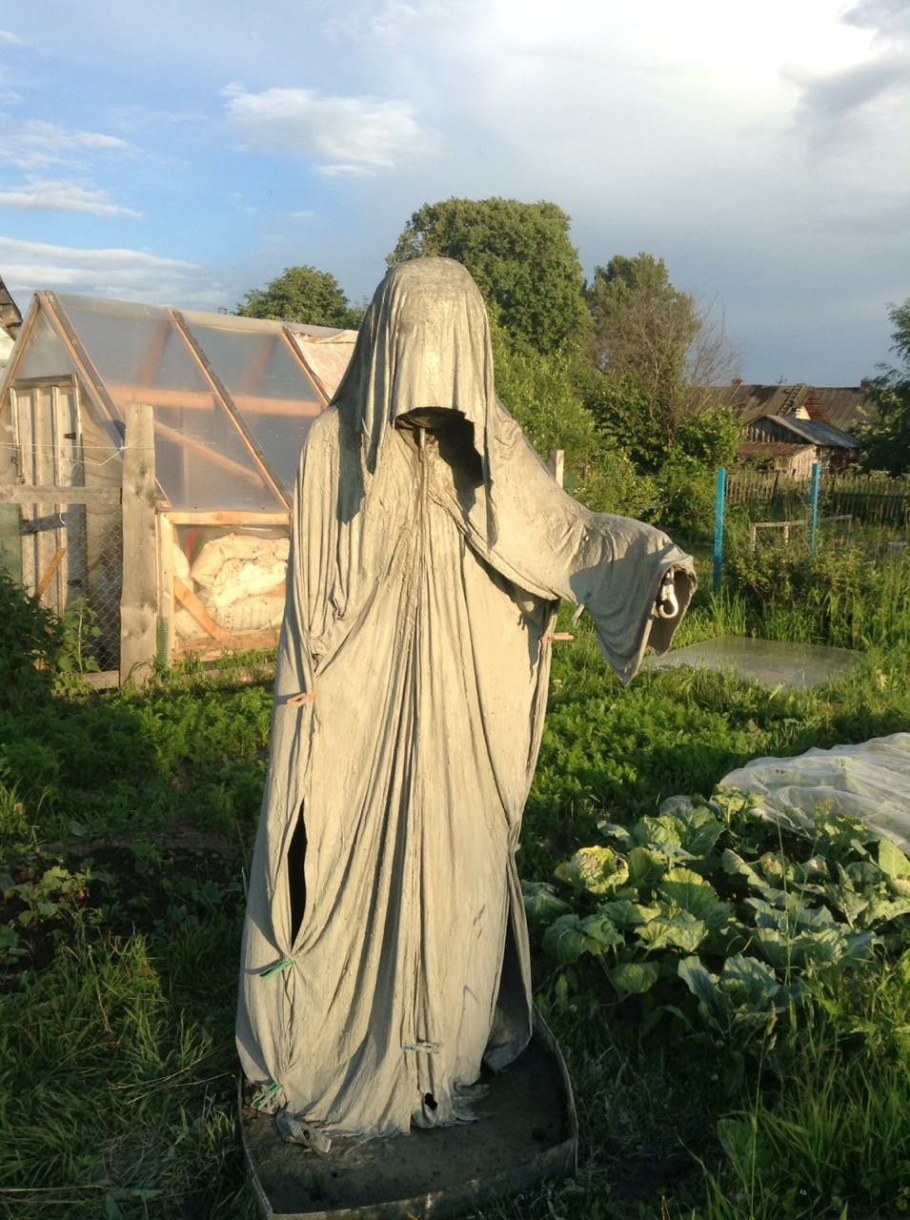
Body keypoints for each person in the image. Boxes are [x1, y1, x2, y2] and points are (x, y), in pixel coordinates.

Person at [237, 257, 695, 1140]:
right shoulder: (329, 451)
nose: (431, 387)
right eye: (416, 353)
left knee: (460, 869)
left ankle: (441, 1055)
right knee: (327, 866)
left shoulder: (500, 451)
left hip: (461, 720)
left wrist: (648, 560)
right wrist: (313, 711)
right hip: (356, 723)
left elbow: (565, 533)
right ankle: (318, 1045)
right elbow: (315, 615)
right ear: (386, 344)